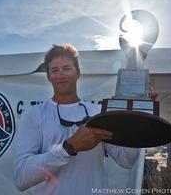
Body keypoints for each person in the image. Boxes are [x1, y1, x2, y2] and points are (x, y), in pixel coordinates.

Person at [13, 44, 141, 195]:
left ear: (78, 73)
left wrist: (137, 120)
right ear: (48, 77)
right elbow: (21, 178)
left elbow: (126, 160)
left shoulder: (98, 112)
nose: (61, 75)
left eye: (67, 68)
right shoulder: (34, 115)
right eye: (55, 70)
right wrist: (68, 148)